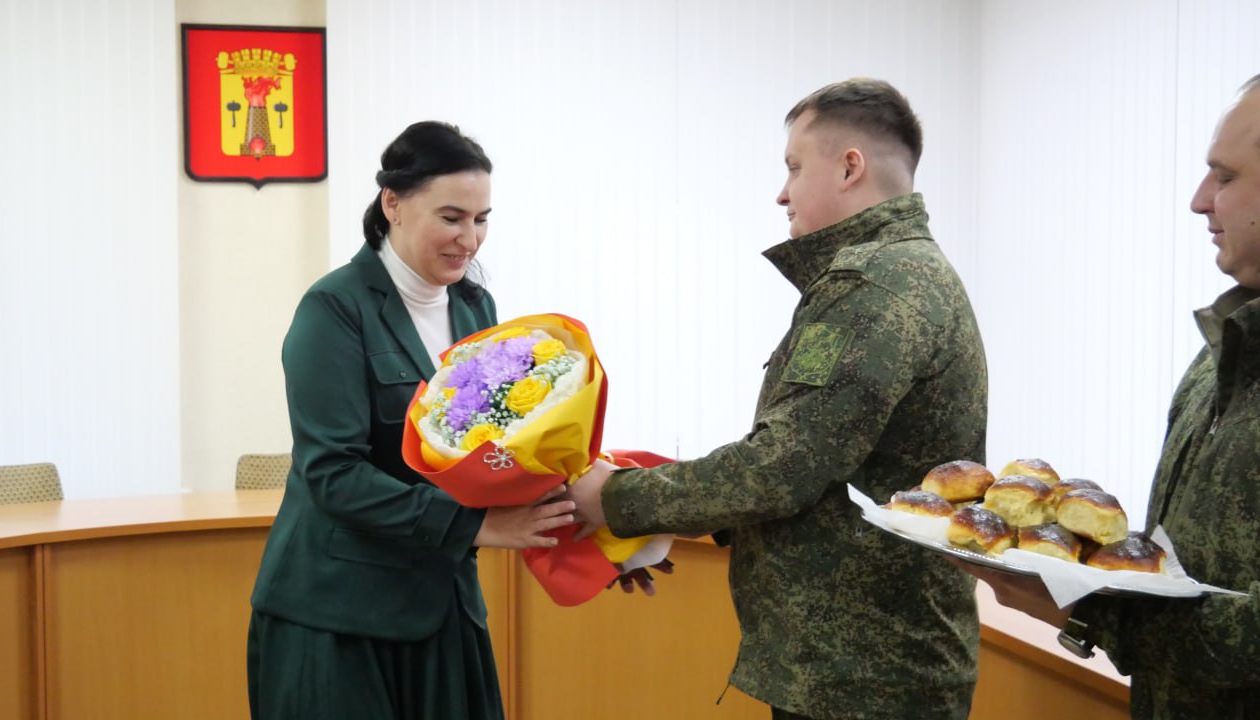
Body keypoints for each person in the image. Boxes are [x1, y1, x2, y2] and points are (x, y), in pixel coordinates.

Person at [568, 78, 988, 720]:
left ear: (850, 167)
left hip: (865, 676)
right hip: (859, 662)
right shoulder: (889, 273)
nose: (782, 191)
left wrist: (616, 500)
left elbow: (783, 466)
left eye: (794, 167)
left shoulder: (878, 286)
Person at [246, 121, 578, 720]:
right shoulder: (334, 309)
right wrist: (475, 527)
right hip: (339, 615)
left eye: (482, 219)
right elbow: (334, 474)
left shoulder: (476, 305)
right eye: (451, 217)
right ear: (392, 203)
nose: (470, 239)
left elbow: (494, 447)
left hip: (440, 602)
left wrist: (603, 531)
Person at [956, 75, 1260, 719]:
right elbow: (1178, 569)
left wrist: (1088, 606)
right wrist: (1078, 578)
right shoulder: (1216, 362)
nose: (1198, 201)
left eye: (1225, 178)